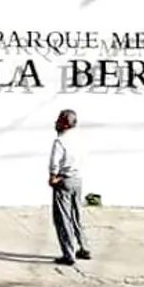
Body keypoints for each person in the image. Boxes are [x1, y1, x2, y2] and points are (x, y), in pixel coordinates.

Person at [49, 109, 91, 265]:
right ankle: (84, 247)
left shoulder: (60, 141)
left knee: (63, 218)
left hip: (64, 180)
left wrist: (52, 177)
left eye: (59, 120)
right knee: (76, 215)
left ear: (65, 124)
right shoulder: (79, 139)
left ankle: (68, 254)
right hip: (77, 180)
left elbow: (55, 162)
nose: (56, 123)